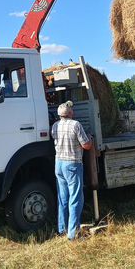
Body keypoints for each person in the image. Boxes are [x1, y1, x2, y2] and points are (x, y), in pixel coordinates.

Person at [51, 101, 92, 240]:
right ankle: (73, 234)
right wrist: (90, 139)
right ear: (70, 113)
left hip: (59, 164)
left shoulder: (55, 126)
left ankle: (62, 229)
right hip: (72, 164)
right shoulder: (76, 125)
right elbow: (86, 145)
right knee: (75, 198)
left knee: (62, 198)